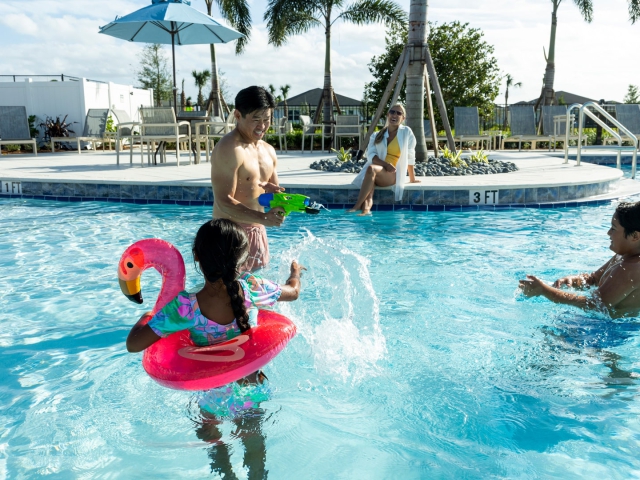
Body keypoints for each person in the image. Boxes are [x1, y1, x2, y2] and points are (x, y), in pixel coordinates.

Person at [125, 218, 305, 385]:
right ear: (243, 258)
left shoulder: (185, 307)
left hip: (212, 391)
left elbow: (133, 345)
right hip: (250, 382)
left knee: (208, 419)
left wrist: (146, 317)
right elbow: (294, 292)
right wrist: (295, 272)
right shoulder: (253, 288)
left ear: (196, 255)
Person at [519, 201, 640, 318]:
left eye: (613, 229)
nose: (608, 233)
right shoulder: (622, 256)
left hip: (614, 331)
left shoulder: (632, 269)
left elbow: (595, 304)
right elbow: (594, 279)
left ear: (635, 236)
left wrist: (545, 291)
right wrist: (573, 280)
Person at [211, 86, 285, 271]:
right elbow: (223, 202)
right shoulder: (230, 148)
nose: (262, 126)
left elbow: (273, 196)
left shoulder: (268, 150)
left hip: (258, 231)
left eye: (267, 119)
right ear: (237, 115)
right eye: (256, 119)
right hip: (230, 235)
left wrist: (280, 202)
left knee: (258, 296)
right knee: (227, 297)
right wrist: (263, 217)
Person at [348, 104, 421, 215]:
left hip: (392, 174)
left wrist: (412, 178)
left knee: (372, 169)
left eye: (399, 113)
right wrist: (386, 165)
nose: (395, 115)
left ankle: (357, 206)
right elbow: (371, 155)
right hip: (377, 171)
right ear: (388, 115)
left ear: (403, 118)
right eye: (392, 112)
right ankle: (366, 210)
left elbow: (410, 156)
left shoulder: (406, 132)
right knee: (370, 183)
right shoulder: (376, 135)